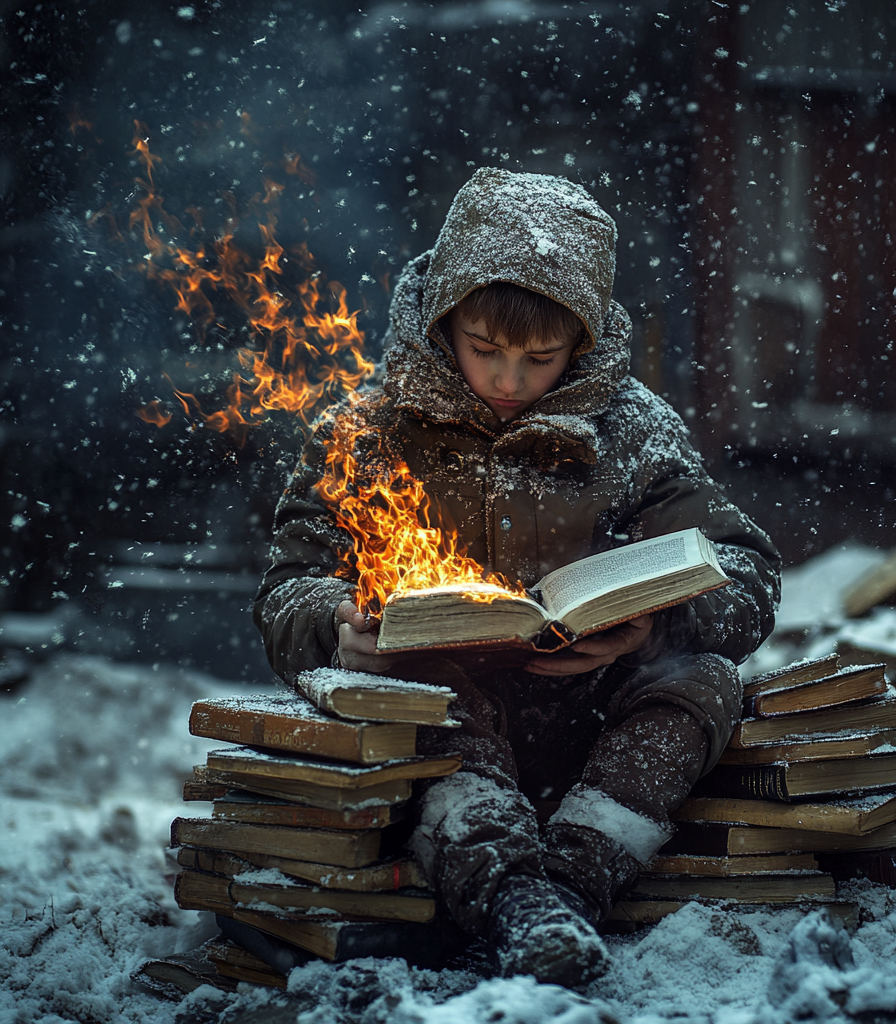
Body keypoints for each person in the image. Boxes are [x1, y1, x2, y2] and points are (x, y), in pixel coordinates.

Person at [254, 168, 781, 988]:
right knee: (426, 684)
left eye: (539, 358)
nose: (507, 381)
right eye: (484, 350)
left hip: (591, 725)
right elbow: (288, 586)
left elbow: (746, 571)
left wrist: (657, 624)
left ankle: (572, 885)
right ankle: (509, 897)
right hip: (437, 736)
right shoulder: (367, 425)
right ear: (443, 321)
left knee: (705, 680)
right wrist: (339, 625)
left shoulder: (632, 428)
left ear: (584, 341)